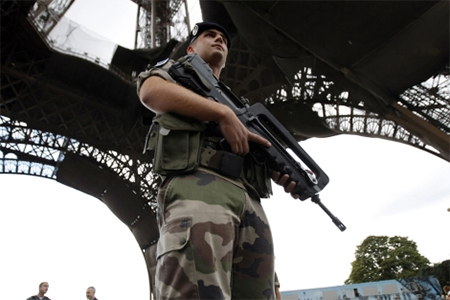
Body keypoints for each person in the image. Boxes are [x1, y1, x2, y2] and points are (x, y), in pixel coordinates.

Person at [138, 21, 299, 300]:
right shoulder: (177, 72)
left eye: (223, 38)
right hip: (199, 187)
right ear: (190, 48)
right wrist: (221, 114)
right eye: (209, 36)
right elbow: (150, 91)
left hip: (248, 200)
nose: (218, 39)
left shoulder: (241, 108)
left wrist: (282, 172)